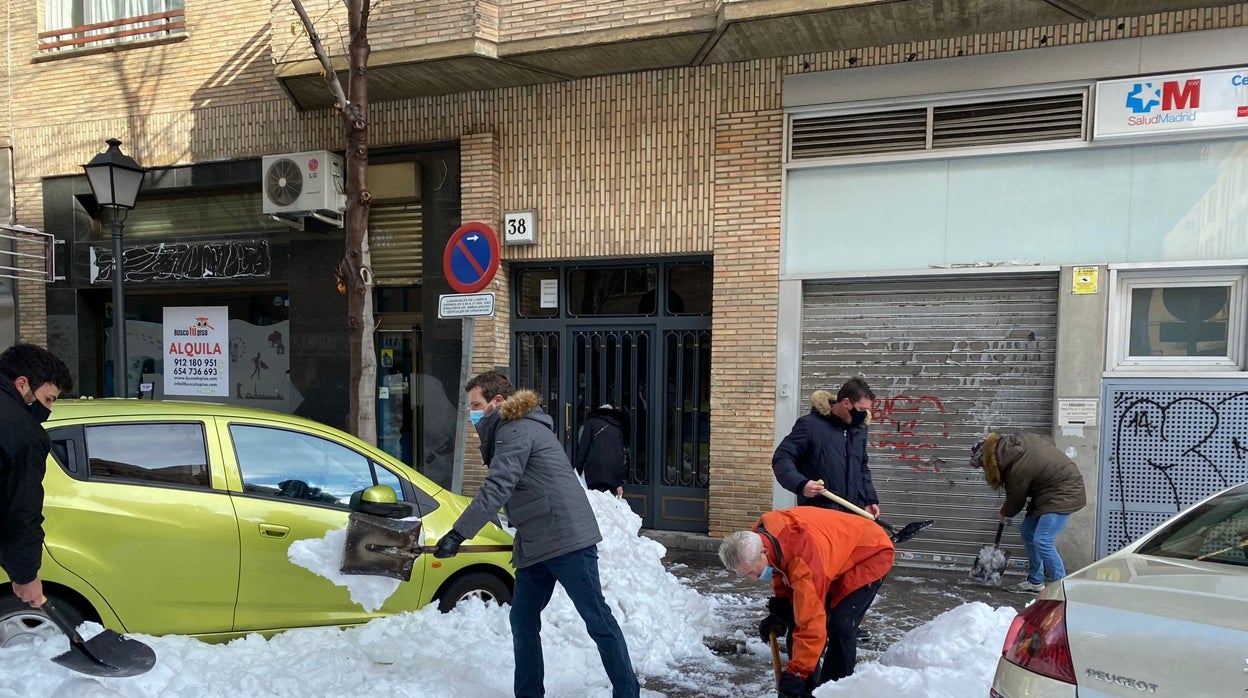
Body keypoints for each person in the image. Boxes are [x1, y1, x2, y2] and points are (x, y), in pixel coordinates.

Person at [433, 370, 639, 698]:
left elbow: (499, 485)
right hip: (537, 539)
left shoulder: (516, 430)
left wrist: (459, 534)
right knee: (523, 618)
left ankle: (628, 693)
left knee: (597, 619)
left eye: (476, 405)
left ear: (497, 401)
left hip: (567, 537)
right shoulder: (509, 428)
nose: (472, 413)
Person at [720, 506, 894, 698]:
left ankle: (833, 691)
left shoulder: (804, 562)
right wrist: (780, 608)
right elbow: (782, 567)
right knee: (794, 617)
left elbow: (812, 622)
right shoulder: (760, 537)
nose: (752, 578)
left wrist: (796, 674)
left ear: (763, 552)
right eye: (746, 575)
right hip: (831, 552)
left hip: (868, 553)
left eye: (753, 572)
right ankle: (806, 690)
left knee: (839, 625)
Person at [1, 343, 73, 609]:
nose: (48, 410)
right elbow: (21, 511)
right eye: (48, 399)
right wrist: (25, 575)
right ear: (22, 384)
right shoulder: (24, 434)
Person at [970, 432, 1087, 594]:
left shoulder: (1015, 466)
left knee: (1043, 540)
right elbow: (1046, 439)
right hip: (1046, 492)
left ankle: (1062, 587)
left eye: (982, 466)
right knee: (1027, 531)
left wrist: (1005, 511)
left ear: (987, 460)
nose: (983, 470)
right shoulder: (1014, 446)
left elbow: (1016, 499)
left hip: (1064, 491)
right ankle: (1035, 581)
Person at [773, 377, 881, 517]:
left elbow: (862, 467)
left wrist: (869, 499)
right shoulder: (810, 426)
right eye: (861, 409)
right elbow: (782, 457)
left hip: (854, 511)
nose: (863, 415)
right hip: (820, 513)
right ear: (846, 402)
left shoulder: (859, 429)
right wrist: (801, 484)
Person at [574, 403, 629, 495]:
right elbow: (621, 454)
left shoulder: (591, 422)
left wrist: (578, 470)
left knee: (595, 499)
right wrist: (619, 481)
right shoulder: (618, 427)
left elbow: (584, 448)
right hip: (612, 471)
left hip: (595, 468)